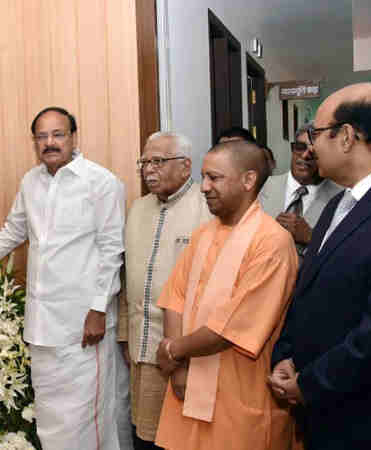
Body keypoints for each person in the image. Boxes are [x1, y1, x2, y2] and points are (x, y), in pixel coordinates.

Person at [0, 107, 131, 450]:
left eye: (58, 134)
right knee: (51, 419)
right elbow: (11, 233)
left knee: (87, 418)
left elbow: (111, 251)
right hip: (42, 326)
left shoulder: (101, 183)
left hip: (84, 326)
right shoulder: (31, 182)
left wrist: (98, 309)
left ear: (73, 137)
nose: (50, 142)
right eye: (42, 136)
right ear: (34, 142)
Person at [153, 140, 298, 450]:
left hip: (238, 396)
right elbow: (173, 299)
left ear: (248, 180)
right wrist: (178, 370)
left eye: (214, 178)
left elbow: (233, 327)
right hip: (187, 388)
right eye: (203, 177)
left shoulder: (272, 242)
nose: (203, 187)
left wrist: (174, 352)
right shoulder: (202, 234)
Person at [269, 83, 371, 449]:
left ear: (347, 136)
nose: (310, 146)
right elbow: (309, 291)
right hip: (323, 410)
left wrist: (310, 383)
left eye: (316, 133)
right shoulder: (338, 205)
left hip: (365, 416)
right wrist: (286, 356)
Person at [120, 132, 211, 450]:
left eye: (157, 161)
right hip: (140, 348)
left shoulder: (207, 208)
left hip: (187, 353)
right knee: (145, 437)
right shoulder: (137, 209)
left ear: (186, 167)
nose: (148, 169)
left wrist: (183, 356)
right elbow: (125, 276)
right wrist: (123, 335)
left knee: (183, 439)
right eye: (144, 162)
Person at [260, 122, 343, 257]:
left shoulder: (341, 197)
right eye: (299, 147)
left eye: (314, 151)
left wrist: (311, 237)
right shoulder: (263, 187)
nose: (305, 156)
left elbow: (346, 254)